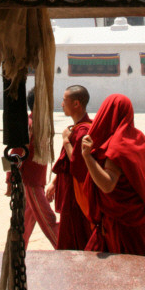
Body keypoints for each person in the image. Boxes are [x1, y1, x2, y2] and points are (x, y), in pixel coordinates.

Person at [81, 93, 145, 256]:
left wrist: (88, 157)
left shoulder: (117, 146)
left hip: (122, 223)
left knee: (128, 273)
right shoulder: (138, 138)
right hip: (136, 218)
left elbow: (108, 185)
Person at [5, 88, 59, 248]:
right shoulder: (29, 125)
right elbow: (13, 154)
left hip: (37, 180)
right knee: (48, 220)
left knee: (26, 221)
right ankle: (64, 246)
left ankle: (15, 251)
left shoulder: (41, 124)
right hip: (30, 182)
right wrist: (9, 181)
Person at [46, 85, 92, 250]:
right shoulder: (76, 128)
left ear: (76, 104)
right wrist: (55, 181)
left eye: (65, 101)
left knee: (76, 236)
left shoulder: (83, 131)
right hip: (69, 190)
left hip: (76, 194)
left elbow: (78, 164)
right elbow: (67, 164)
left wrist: (66, 141)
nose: (61, 104)